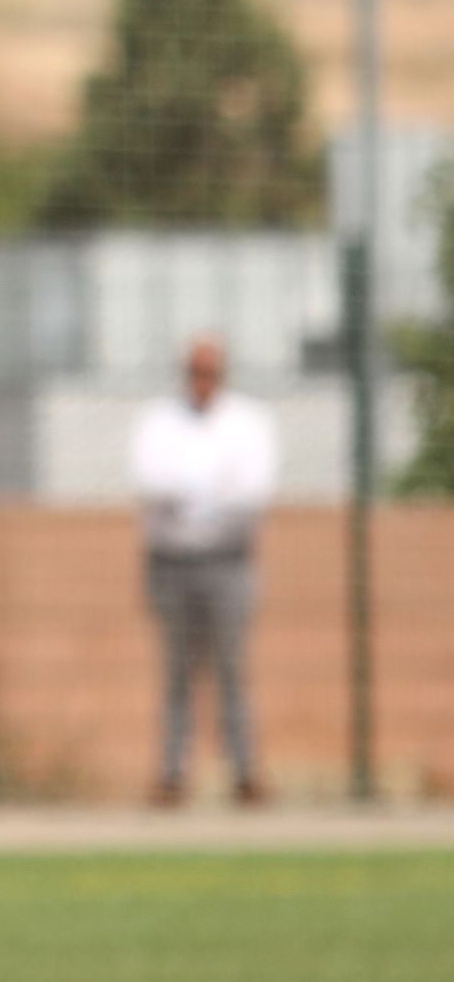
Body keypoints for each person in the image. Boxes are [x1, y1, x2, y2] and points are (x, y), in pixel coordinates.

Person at [131, 333, 274, 807]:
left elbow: (250, 493)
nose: (202, 381)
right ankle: (173, 773)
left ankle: (244, 771)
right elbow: (154, 486)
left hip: (229, 562)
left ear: (223, 374)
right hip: (172, 563)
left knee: (232, 668)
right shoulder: (160, 422)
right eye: (195, 371)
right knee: (177, 671)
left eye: (210, 372)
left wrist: (194, 499)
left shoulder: (247, 423)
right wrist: (210, 493)